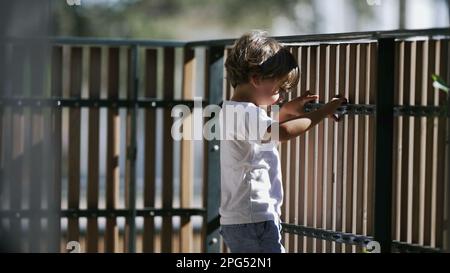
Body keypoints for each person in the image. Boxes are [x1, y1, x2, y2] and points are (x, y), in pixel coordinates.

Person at [218, 30, 347, 253]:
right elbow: (282, 132)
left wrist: (286, 110)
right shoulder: (247, 112)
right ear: (257, 79)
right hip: (254, 219)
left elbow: (265, 136)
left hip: (241, 220)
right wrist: (324, 111)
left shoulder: (233, 110)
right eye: (278, 89)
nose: (280, 96)